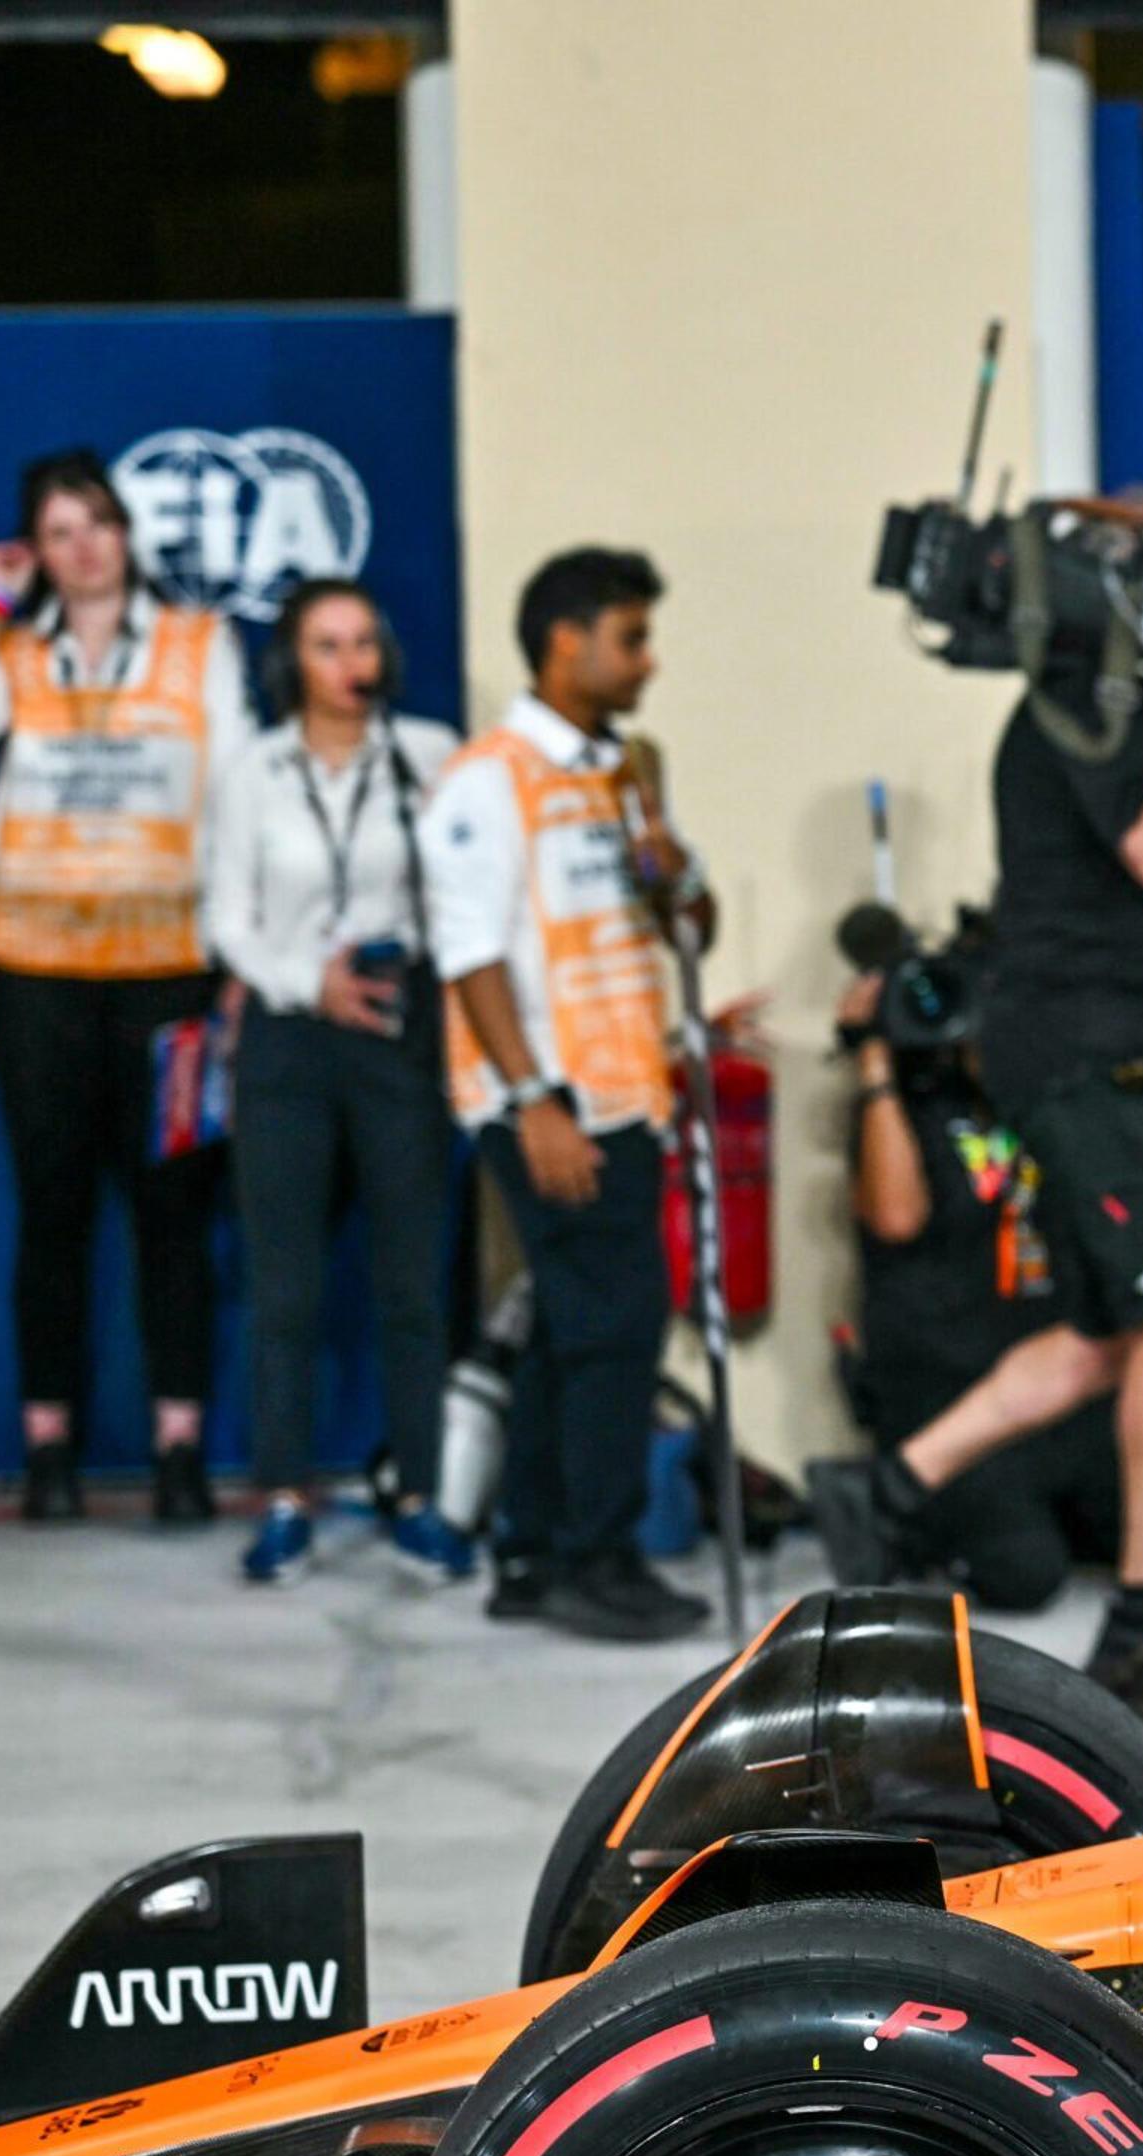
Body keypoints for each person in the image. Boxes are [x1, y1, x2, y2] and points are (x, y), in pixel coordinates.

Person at [821, 503, 1143, 1679]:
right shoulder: (1078, 709)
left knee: (1107, 1336)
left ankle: (890, 1486)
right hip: (1084, 1059)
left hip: (1133, 1062)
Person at [0, 447, 251, 1522]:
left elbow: (238, 797)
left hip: (169, 980)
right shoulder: (17, 653)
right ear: (38, 552)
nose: (83, 547)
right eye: (58, 532)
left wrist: (236, 962)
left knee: (171, 1218)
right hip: (39, 979)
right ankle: (48, 1449)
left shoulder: (200, 646)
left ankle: (179, 1452)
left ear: (125, 532)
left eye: (97, 523)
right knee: (52, 1214)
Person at [425, 547, 709, 1643]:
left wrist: (669, 861)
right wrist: (534, 1099)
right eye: (630, 637)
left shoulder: (623, 772)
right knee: (614, 1320)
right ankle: (602, 1554)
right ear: (566, 641)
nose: (648, 661)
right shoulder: (487, 779)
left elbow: (686, 928)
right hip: (550, 1100)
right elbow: (470, 956)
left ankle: (530, 1548)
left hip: (627, 1089)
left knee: (570, 1323)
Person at [831, 944, 1143, 1610]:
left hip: (1065, 1399)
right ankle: (932, 1512)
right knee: (1024, 1576)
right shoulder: (914, 1106)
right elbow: (894, 1217)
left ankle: (1070, 1521)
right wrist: (873, 1059)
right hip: (958, 1394)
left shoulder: (1064, 1105)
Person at [199, 578, 470, 1584]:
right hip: (288, 1033)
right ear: (292, 663)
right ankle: (282, 1497)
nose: (351, 662)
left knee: (411, 1277)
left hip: (398, 1026)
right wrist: (307, 983)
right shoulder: (255, 771)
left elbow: (467, 887)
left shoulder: (429, 754)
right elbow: (226, 915)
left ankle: (421, 1497)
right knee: (286, 1285)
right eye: (328, 644)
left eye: (365, 641)